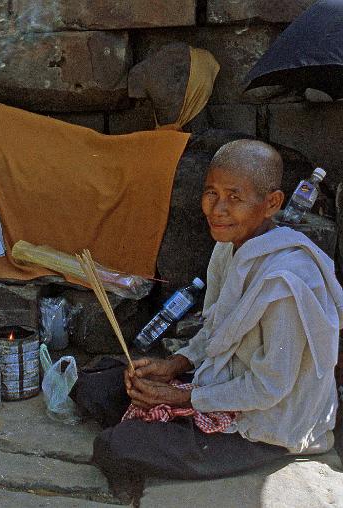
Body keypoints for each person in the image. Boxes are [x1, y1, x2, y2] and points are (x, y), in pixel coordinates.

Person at [71, 139, 343, 491]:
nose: (218, 209)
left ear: (271, 203)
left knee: (115, 446)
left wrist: (181, 397)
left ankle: (165, 432)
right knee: (93, 386)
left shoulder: (285, 283)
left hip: (267, 423)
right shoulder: (229, 247)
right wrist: (176, 365)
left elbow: (269, 388)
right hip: (222, 383)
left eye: (235, 197)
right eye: (211, 193)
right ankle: (161, 427)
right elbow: (217, 326)